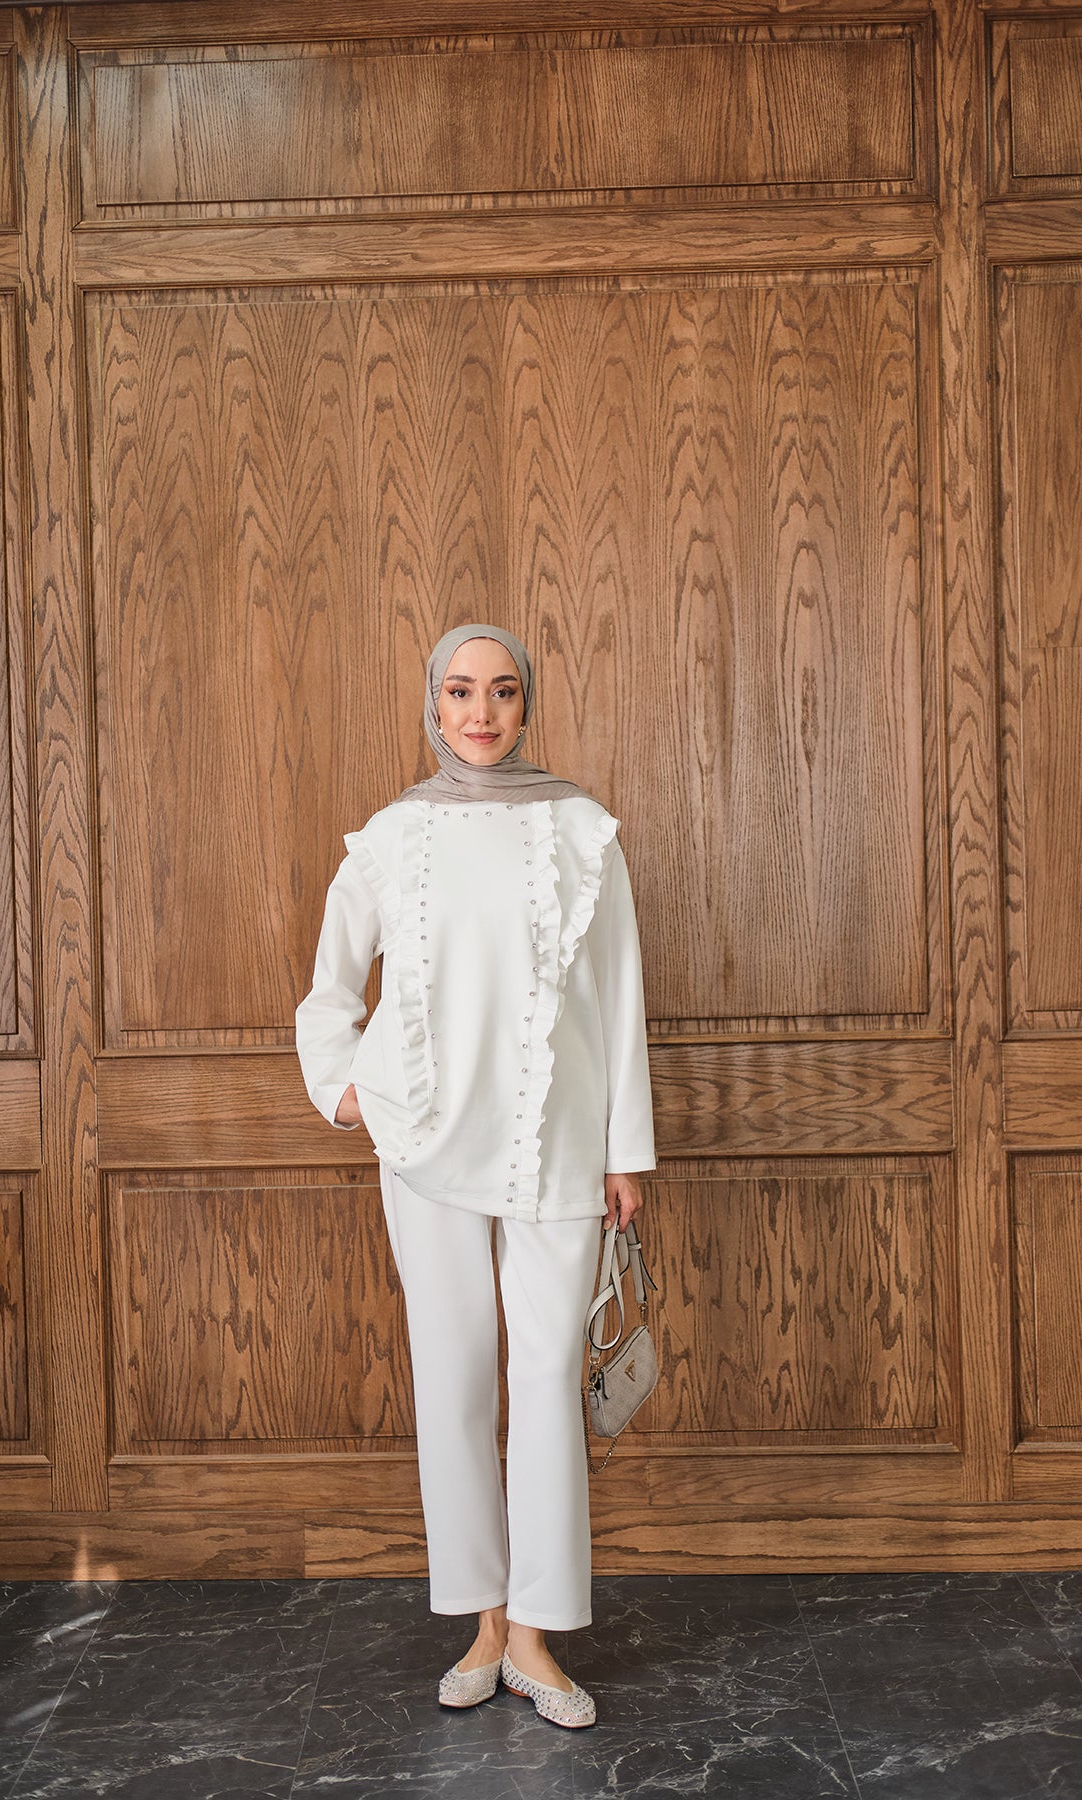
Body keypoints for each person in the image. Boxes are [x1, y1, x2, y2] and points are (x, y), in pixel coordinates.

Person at [295, 622, 656, 1730]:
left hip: (559, 1138)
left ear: (526, 704)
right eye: (460, 691)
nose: (481, 712)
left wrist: (625, 1150)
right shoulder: (392, 835)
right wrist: (345, 1091)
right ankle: (486, 1625)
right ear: (434, 704)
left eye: (501, 691)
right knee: (452, 1376)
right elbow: (330, 989)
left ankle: (539, 1638)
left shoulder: (583, 830)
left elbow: (620, 998)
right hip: (426, 1145)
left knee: (544, 1377)